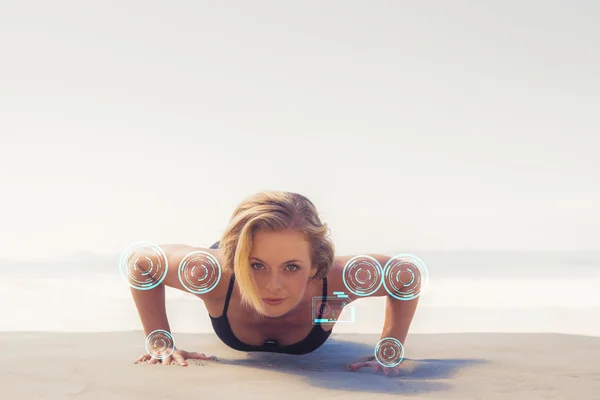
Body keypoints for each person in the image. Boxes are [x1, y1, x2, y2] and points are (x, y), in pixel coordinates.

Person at [131, 191, 416, 375]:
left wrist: (390, 349)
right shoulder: (212, 275)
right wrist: (160, 344)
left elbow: (407, 276)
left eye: (291, 267)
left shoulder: (336, 284)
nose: (272, 285)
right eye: (258, 267)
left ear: (315, 265)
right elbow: (141, 264)